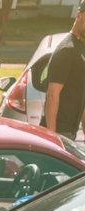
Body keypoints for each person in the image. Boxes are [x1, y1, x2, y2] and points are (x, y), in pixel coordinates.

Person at [46, 3, 85, 138]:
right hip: (59, 133)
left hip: (70, 132)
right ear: (79, 15)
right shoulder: (68, 49)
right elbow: (52, 94)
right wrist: (52, 137)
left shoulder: (80, 49)